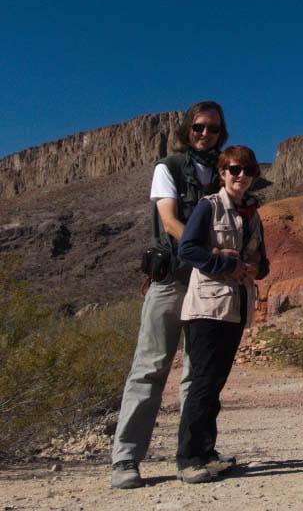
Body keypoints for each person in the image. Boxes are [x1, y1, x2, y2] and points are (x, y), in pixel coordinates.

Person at [111, 101, 231, 489]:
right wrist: (206, 252)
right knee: (150, 368)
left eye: (212, 129)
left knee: (199, 373)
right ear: (187, 129)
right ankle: (125, 459)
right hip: (173, 278)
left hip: (209, 284)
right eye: (199, 127)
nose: (205, 134)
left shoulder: (224, 171)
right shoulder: (169, 169)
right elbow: (168, 219)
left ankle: (195, 454)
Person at [174, 145, 269, 483]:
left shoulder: (254, 215)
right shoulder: (209, 207)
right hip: (207, 308)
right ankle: (189, 459)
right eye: (232, 169)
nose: (239, 175)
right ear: (222, 173)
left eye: (245, 170)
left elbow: (264, 265)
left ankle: (207, 451)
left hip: (236, 308)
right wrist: (227, 262)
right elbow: (187, 249)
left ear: (254, 175)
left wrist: (253, 268)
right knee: (202, 382)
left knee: (215, 383)